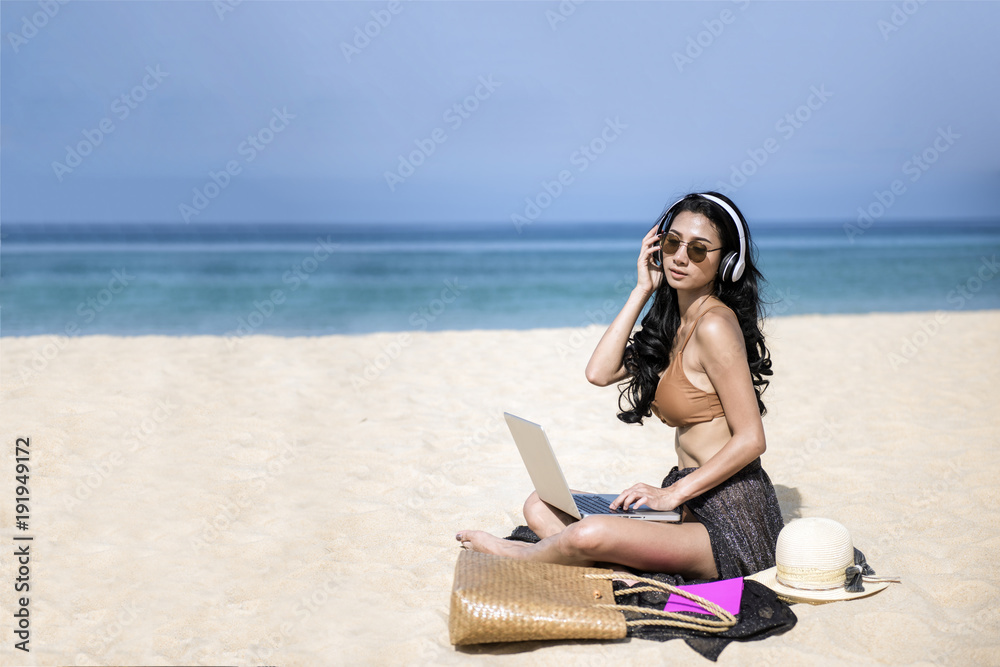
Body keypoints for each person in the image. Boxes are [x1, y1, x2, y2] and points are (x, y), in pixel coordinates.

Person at [456, 192, 784, 581]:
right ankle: (609, 566)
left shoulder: (715, 325)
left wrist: (672, 494)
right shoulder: (673, 324)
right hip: (684, 503)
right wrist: (642, 289)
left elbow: (751, 439)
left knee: (591, 532)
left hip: (729, 520)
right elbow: (599, 372)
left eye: (698, 250)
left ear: (727, 263)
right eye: (671, 242)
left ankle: (519, 554)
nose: (679, 257)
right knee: (540, 506)